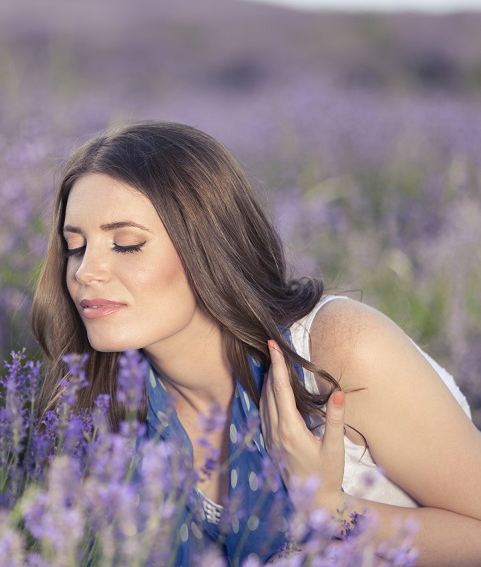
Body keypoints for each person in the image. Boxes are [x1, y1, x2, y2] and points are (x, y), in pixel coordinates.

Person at [30, 121, 481, 565]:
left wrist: (328, 508)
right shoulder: (102, 406)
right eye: (75, 246)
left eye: (126, 243)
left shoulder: (336, 351)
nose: (86, 271)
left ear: (207, 246)